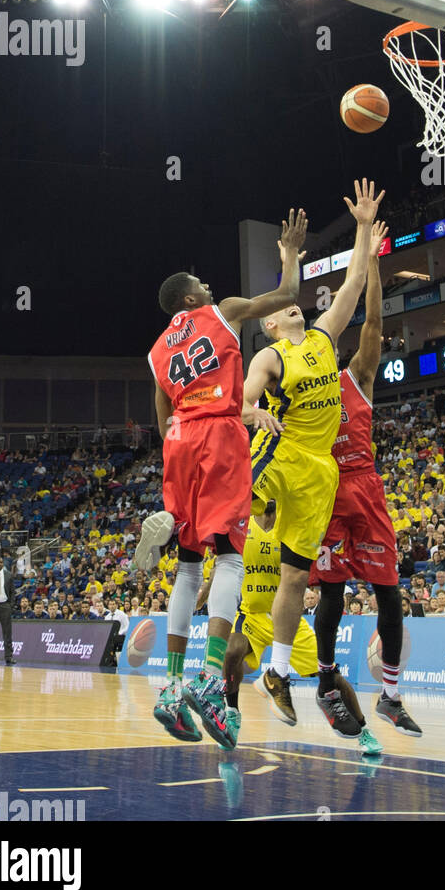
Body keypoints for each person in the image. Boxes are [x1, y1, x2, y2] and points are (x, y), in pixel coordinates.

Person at [139, 206, 306, 745]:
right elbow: (286, 296)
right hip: (218, 439)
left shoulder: (159, 347)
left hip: (180, 442)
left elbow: (163, 411)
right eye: (202, 285)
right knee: (230, 554)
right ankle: (211, 679)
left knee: (190, 566)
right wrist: (288, 255)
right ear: (191, 298)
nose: (210, 286)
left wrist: (182, 437)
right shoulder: (224, 310)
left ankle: (170, 684)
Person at [242, 181, 384, 727]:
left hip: (321, 472)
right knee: (233, 514)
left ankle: (276, 673)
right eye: (284, 310)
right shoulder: (272, 357)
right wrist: (254, 412)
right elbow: (244, 399)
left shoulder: (325, 338)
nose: (296, 309)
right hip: (281, 450)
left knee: (297, 580)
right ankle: (180, 525)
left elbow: (352, 284)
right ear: (271, 323)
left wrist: (365, 226)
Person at [309, 225, 421, 738]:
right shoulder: (296, 397)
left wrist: (373, 261)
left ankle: (392, 697)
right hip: (325, 493)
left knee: (388, 592)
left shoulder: (356, 377)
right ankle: (327, 678)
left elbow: (374, 319)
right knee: (330, 595)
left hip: (364, 487)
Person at [203, 500, 382, 755]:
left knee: (332, 677)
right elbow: (225, 566)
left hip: (287, 622)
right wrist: (204, 592)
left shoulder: (291, 529)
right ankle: (232, 714)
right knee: (231, 652)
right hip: (252, 615)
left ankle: (364, 730)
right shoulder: (245, 525)